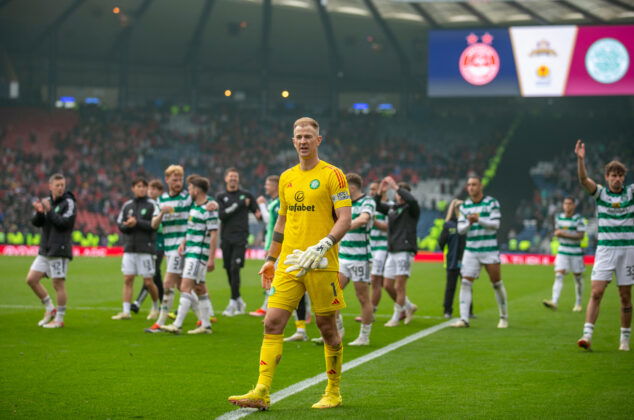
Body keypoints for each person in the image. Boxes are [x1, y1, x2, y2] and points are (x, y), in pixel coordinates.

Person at [228, 116, 352, 410]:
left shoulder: (333, 175)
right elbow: (282, 221)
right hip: (290, 262)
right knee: (272, 321)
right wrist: (271, 259)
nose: (303, 141)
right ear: (293, 141)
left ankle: (333, 391)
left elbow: (345, 219)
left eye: (309, 136)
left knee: (326, 326)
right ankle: (261, 390)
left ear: (318, 140)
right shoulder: (286, 177)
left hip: (322, 262)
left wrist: (323, 244)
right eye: (299, 136)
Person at [574, 140, 632, 352]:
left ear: (624, 177)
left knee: (625, 296)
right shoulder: (601, 194)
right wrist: (581, 160)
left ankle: (624, 339)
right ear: (607, 177)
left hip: (628, 251)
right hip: (606, 250)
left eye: (620, 175)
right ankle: (587, 335)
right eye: (613, 175)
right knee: (596, 291)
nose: (617, 179)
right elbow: (583, 180)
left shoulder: (631, 193)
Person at [161, 175, 219, 334]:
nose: (189, 191)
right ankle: (206, 326)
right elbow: (192, 228)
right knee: (199, 288)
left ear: (197, 190)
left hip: (198, 254)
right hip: (191, 251)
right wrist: (184, 242)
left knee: (185, 287)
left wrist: (211, 259)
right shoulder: (194, 206)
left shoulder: (209, 209)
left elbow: (214, 235)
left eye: (191, 188)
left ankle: (177, 325)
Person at [451, 176, 508, 329]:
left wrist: (479, 220)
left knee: (496, 283)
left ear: (480, 186)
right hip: (471, 250)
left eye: (474, 184)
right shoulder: (465, 206)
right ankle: (464, 319)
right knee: (465, 282)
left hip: (489, 250)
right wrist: (470, 222)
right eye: (469, 185)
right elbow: (460, 230)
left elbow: (496, 225)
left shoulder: (491, 203)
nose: (471, 187)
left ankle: (503, 317)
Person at [26, 173, 77, 328]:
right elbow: (37, 223)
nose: (60, 188)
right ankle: (50, 309)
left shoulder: (69, 202)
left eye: (62, 185)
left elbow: (65, 223)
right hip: (45, 249)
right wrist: (39, 213)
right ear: (50, 187)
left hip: (60, 249)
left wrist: (50, 211)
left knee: (58, 284)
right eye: (57, 185)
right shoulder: (47, 201)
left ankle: (59, 319)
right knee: (31, 279)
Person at [112, 177, 161, 320]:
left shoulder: (152, 205)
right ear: (133, 188)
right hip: (129, 248)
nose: (142, 189)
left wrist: (137, 222)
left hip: (146, 248)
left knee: (148, 282)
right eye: (139, 186)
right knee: (128, 279)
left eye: (144, 186)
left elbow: (154, 225)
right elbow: (120, 225)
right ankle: (126, 312)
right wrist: (127, 225)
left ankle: (155, 307)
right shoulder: (127, 205)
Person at [374, 176, 420, 327]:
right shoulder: (393, 208)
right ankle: (409, 306)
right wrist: (380, 191)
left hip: (405, 250)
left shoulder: (412, 209)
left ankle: (396, 317)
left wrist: (396, 187)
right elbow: (376, 205)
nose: (399, 195)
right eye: (398, 193)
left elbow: (412, 200)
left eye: (401, 193)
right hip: (392, 250)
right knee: (387, 285)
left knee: (399, 286)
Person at [217, 168, 261, 316]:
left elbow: (257, 213)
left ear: (238, 179)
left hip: (241, 238)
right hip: (226, 238)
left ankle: (232, 303)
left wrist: (260, 210)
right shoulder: (221, 196)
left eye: (235, 177)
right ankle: (238, 299)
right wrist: (240, 204)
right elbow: (222, 215)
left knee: (235, 268)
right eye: (231, 176)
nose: (233, 179)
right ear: (226, 179)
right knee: (228, 269)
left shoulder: (247, 195)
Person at [338, 173, 376, 345]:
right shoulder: (343, 203)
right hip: (342, 257)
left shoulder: (368, 202)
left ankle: (364, 337)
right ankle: (337, 332)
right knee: (332, 294)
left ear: (352, 187)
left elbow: (363, 219)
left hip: (360, 258)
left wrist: (343, 226)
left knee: (362, 297)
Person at [542, 197, 586, 312]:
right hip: (562, 250)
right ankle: (554, 301)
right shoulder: (559, 218)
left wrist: (563, 234)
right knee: (558, 275)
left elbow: (581, 236)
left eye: (569, 204)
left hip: (575, 252)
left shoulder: (579, 219)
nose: (567, 206)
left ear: (574, 205)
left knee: (578, 278)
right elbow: (557, 232)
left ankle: (578, 303)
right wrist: (559, 234)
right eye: (565, 203)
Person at [131, 179, 165, 315]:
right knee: (155, 274)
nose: (151, 191)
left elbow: (160, 226)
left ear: (160, 192)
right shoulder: (146, 205)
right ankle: (162, 304)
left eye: (155, 189)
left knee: (152, 272)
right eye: (150, 188)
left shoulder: (162, 204)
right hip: (149, 242)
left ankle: (138, 302)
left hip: (160, 241)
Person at [250, 175, 281, 317]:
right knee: (271, 278)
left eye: (268, 184)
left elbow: (270, 220)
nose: (265, 187)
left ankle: (269, 309)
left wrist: (262, 205)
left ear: (275, 186)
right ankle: (267, 307)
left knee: (273, 278)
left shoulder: (279, 202)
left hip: (276, 246)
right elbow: (268, 221)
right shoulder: (273, 202)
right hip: (271, 244)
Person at [438, 198, 469, 319]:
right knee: (451, 287)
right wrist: (448, 253)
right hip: (452, 260)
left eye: (462, 206)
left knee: (467, 285)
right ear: (454, 209)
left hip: (466, 260)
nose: (460, 209)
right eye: (458, 207)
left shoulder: (467, 223)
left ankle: (469, 311)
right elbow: (441, 241)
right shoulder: (449, 225)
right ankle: (447, 310)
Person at [367, 181, 389, 318]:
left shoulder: (389, 205)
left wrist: (371, 220)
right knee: (380, 282)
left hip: (382, 246)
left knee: (375, 279)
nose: (371, 192)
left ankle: (370, 312)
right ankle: (406, 305)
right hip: (370, 246)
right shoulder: (369, 205)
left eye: (374, 189)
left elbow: (387, 227)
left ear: (382, 190)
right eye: (370, 189)